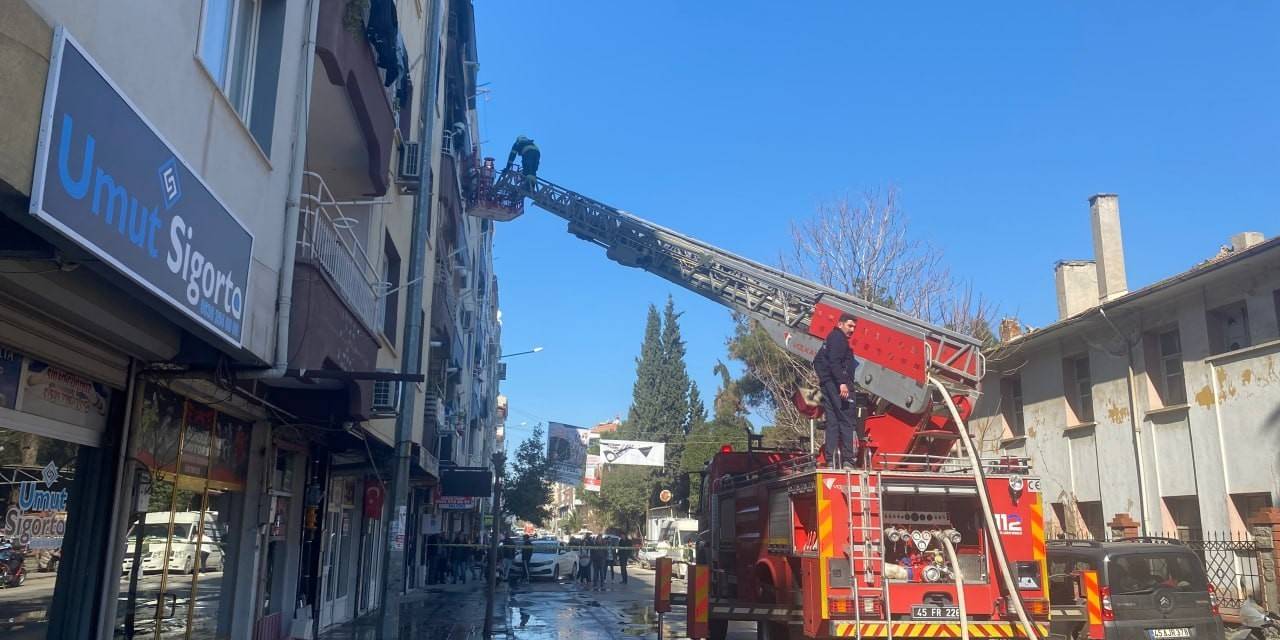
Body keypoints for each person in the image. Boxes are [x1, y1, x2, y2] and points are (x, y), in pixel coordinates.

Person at [813, 314, 861, 468]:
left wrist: (825, 381)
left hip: (828, 386)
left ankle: (831, 460)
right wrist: (842, 383)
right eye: (850, 326)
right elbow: (834, 361)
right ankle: (848, 460)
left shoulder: (830, 339)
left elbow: (817, 361)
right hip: (838, 386)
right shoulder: (838, 339)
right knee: (847, 420)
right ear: (840, 324)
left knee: (832, 422)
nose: (852, 330)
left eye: (854, 327)